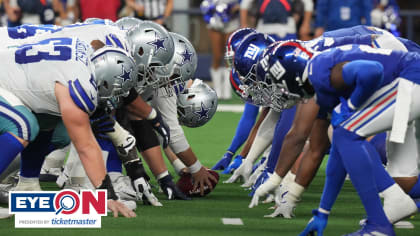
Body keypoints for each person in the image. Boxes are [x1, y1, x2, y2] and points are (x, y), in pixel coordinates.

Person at [250, 37, 420, 234]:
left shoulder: (320, 69)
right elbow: (337, 155)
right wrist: (323, 211)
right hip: (408, 79)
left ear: (291, 75)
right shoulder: (319, 84)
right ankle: (390, 208)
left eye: (279, 84)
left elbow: (371, 70)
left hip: (411, 77)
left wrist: (352, 105)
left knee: (347, 131)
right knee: (400, 177)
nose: (281, 92)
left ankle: (379, 224)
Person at [0, 36, 136, 217]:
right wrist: (108, 195)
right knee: (23, 126)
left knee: (48, 118)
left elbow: (94, 44)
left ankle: (27, 184)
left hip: (9, 73)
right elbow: (86, 146)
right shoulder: (79, 86)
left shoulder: (86, 51)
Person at [201, 0, 240, 100]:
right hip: (215, 19)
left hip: (232, 20)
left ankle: (227, 90)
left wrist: (237, 6)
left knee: (229, 56)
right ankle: (217, 89)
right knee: (217, 56)